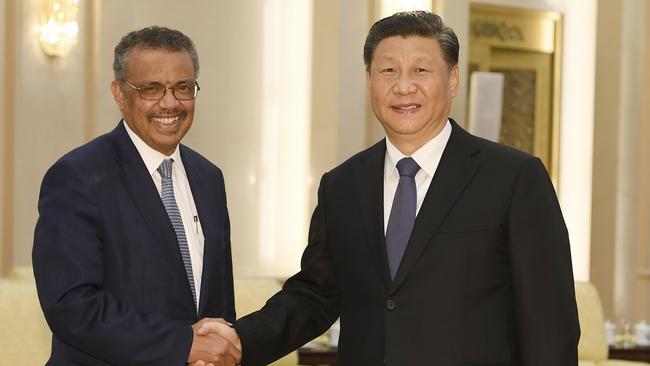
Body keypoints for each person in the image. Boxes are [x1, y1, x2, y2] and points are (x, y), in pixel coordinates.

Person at [201, 10, 580, 365]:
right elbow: (314, 295)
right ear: (369, 80)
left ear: (452, 80)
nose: (403, 86)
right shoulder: (342, 186)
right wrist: (238, 341)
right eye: (388, 70)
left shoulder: (513, 178)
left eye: (420, 69)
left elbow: (550, 324)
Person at [32, 26, 241, 365]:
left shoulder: (209, 178)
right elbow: (71, 305)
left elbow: (218, 306)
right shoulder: (76, 177)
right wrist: (182, 344)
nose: (170, 102)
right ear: (119, 93)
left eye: (183, 88)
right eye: (152, 89)